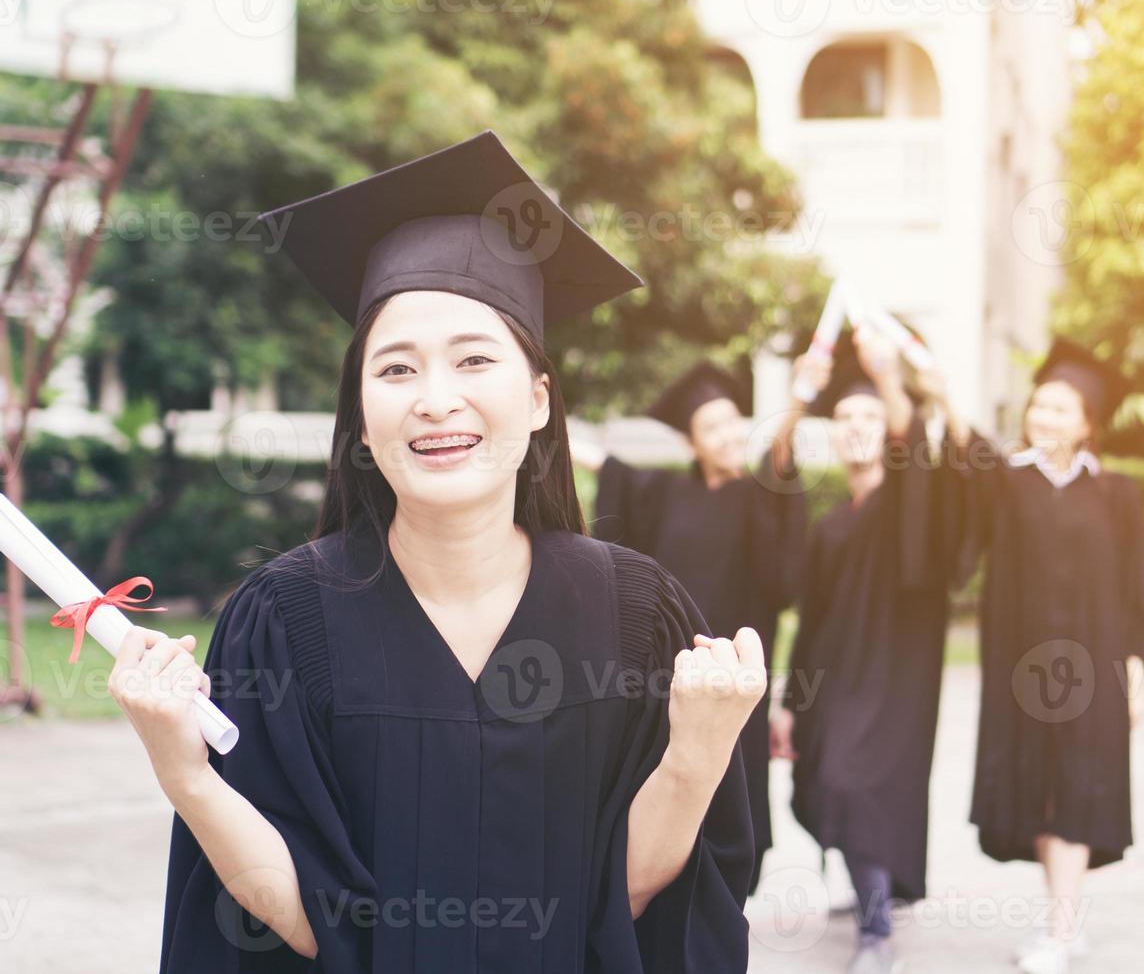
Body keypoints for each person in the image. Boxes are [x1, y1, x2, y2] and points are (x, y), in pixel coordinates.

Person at [105, 131, 765, 972]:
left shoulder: (635, 619)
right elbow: (297, 921)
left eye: (474, 358)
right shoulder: (284, 621)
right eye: (396, 371)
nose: (436, 400)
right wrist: (185, 774)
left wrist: (699, 755)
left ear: (535, 399)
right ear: (361, 415)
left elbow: (629, 906)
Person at [572, 354, 821, 896]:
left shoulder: (761, 494)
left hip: (733, 680)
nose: (727, 434)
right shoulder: (668, 494)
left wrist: (799, 400)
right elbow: (613, 471)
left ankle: (728, 900)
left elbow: (780, 458)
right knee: (667, 784)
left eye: (733, 421)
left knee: (737, 790)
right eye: (711, 426)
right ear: (692, 442)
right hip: (670, 677)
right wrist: (534, 431)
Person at [771, 324, 970, 974]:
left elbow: (919, 455)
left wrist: (890, 377)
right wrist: (790, 705)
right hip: (838, 684)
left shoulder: (908, 504)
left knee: (855, 784)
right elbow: (811, 624)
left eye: (870, 416)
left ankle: (877, 929)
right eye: (845, 416)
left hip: (896, 680)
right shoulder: (831, 527)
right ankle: (870, 891)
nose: (855, 426)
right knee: (824, 785)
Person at [949, 338, 1144, 974]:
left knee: (1076, 791)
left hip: (1096, 668)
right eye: (1040, 405)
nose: (1046, 417)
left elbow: (1135, 590)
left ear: (1089, 422)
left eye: (1063, 409)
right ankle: (1063, 921)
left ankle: (1061, 934)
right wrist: (934, 386)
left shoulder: (1117, 494)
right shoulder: (1008, 483)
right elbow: (966, 450)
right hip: (1023, 668)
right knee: (1040, 793)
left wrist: (1138, 673)